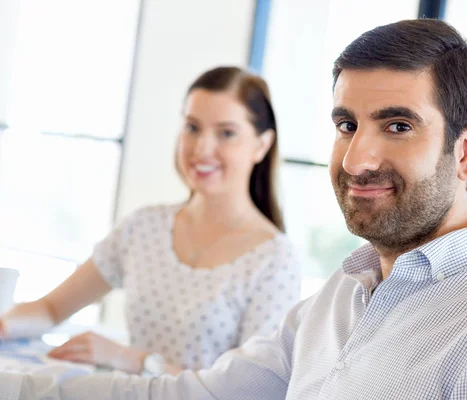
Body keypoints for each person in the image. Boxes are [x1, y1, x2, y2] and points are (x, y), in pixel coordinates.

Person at [0, 19, 467, 399]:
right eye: (346, 125)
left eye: (398, 126)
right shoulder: (337, 298)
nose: (357, 159)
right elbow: (195, 395)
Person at [0, 66, 302, 376]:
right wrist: (4, 325)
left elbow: (251, 389)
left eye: (226, 133)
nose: (202, 148)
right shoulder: (143, 227)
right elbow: (50, 309)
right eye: (192, 127)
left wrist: (132, 360)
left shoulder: (275, 260)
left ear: (262, 145)